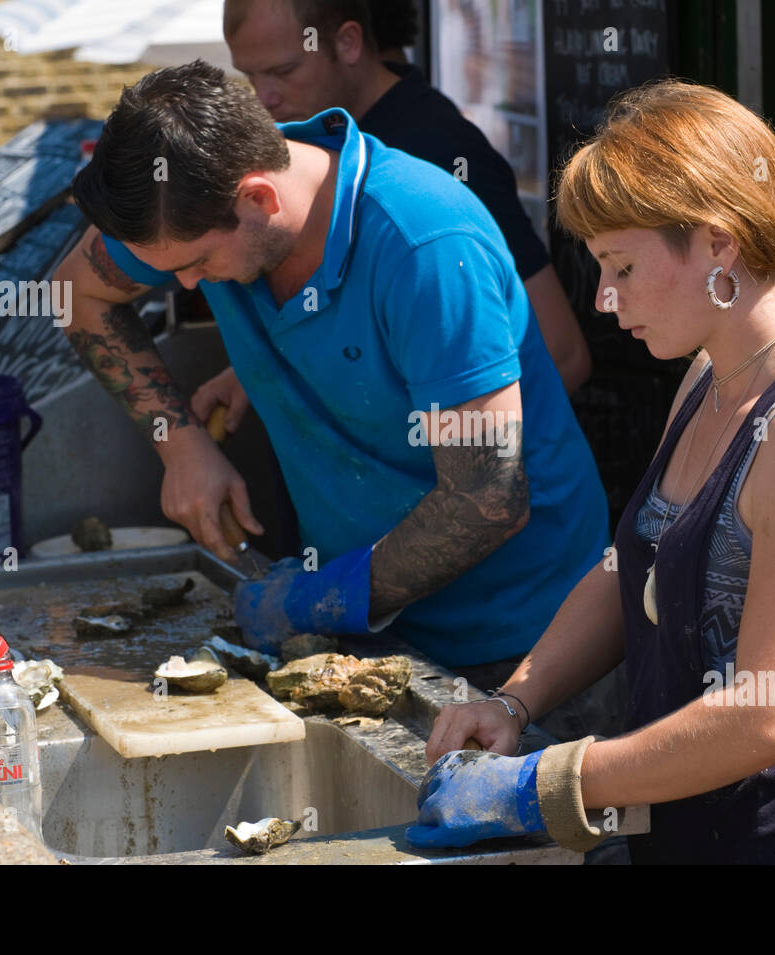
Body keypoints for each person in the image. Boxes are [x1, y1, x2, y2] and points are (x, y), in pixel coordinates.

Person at [407, 79, 775, 864]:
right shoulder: (707, 377)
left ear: (720, 244)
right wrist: (515, 699)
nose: (606, 301)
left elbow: (768, 715)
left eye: (621, 266)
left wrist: (546, 780)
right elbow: (629, 569)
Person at [53, 61, 607, 679]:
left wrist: (309, 600)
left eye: (199, 262)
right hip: (362, 622)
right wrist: (181, 445)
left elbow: (486, 499)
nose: (183, 283)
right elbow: (75, 293)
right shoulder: (186, 198)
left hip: (528, 643)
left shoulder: (426, 244)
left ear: (258, 198)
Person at [217, 0, 591, 394]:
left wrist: (443, 440)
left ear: (348, 43)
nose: (264, 98)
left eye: (283, 71)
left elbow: (561, 352)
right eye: (248, 76)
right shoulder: (313, 138)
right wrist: (258, 373)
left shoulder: (440, 150)